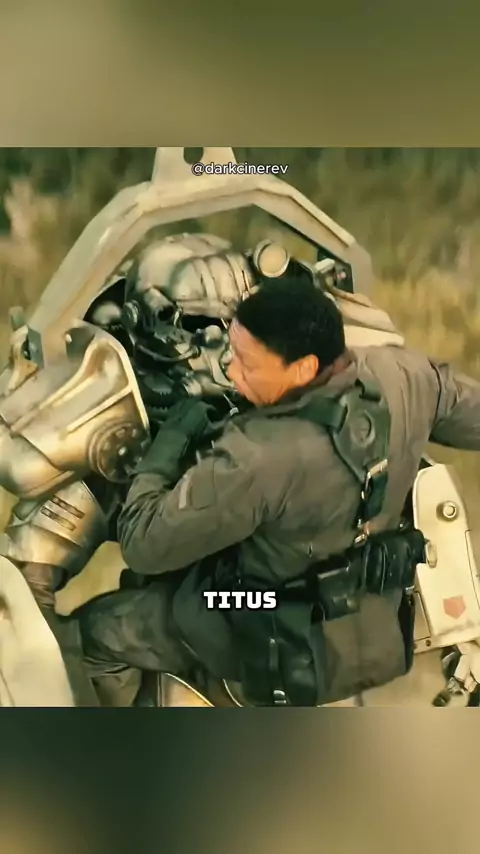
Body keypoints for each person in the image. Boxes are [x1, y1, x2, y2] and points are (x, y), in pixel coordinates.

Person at [79, 271, 480, 707]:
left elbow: (142, 544)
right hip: (370, 620)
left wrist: (167, 446)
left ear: (304, 367)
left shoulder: (257, 458)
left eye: (247, 363)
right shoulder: (404, 375)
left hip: (264, 618)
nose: (230, 370)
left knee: (98, 631)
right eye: (231, 351)